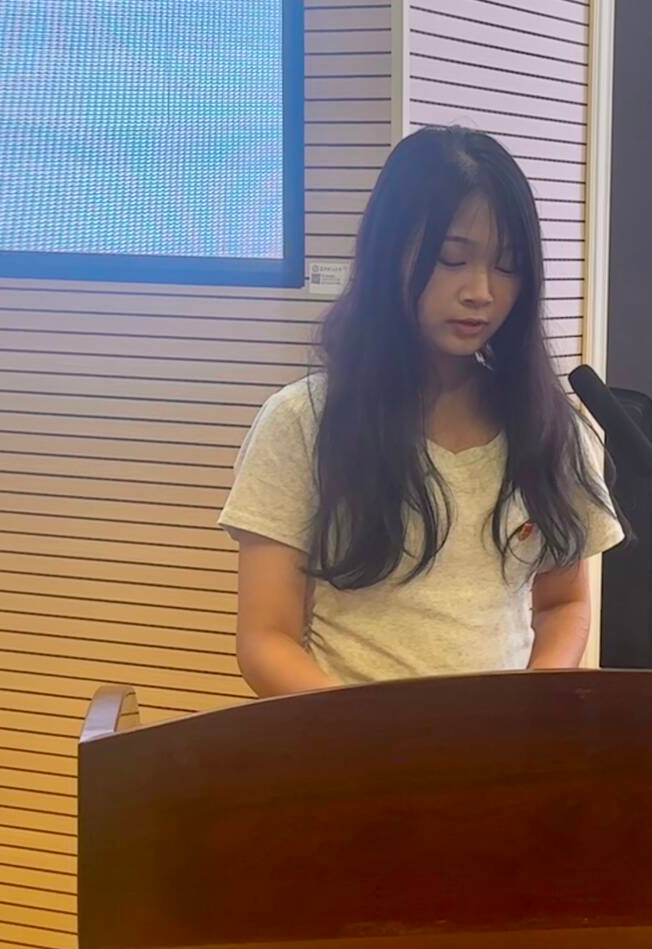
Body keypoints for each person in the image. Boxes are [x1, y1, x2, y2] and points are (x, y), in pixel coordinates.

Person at [218, 126, 623, 696]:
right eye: (451, 258)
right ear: (390, 255)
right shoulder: (303, 422)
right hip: (353, 744)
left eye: (507, 265)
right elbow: (266, 639)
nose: (480, 291)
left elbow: (564, 603)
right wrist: (371, 734)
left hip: (502, 745)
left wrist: (532, 708)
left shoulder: (548, 426)